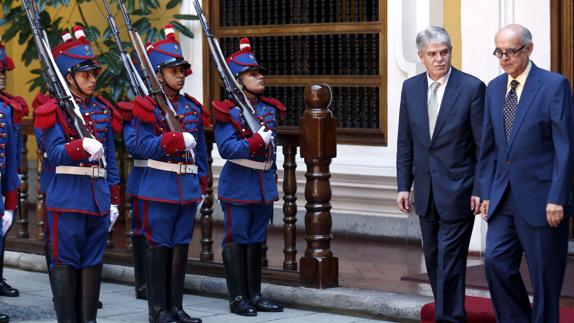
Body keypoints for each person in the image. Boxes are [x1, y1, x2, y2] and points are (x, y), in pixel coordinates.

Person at [478, 24, 574, 323]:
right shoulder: (494, 88)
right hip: (503, 197)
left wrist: (558, 197)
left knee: (545, 277)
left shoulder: (553, 85)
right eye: (499, 52)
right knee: (495, 261)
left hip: (543, 199)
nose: (504, 58)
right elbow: (489, 147)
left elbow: (565, 145)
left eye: (511, 51)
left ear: (529, 49)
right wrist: (485, 191)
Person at [396, 26, 485, 322]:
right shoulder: (410, 88)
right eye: (432, 54)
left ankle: (451, 317)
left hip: (459, 189)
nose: (439, 59)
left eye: (444, 52)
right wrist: (402, 186)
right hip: (424, 189)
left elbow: (482, 145)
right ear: (421, 56)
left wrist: (480, 188)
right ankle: (446, 312)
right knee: (433, 259)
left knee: (451, 258)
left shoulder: (472, 88)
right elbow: (405, 141)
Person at [33, 26, 121, 322]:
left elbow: (110, 158)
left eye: (94, 73)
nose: (94, 79)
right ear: (68, 78)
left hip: (97, 200)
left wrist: (114, 199)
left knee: (92, 262)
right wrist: (80, 145)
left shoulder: (101, 110)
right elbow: (53, 153)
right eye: (86, 75)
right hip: (67, 199)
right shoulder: (51, 111)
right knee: (66, 262)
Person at [133, 24, 207, 323]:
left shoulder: (192, 108)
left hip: (186, 188)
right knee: (159, 247)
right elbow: (140, 146)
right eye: (174, 70)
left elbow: (200, 151)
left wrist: (202, 183)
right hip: (159, 187)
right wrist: (173, 140)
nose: (180, 74)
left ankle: (176, 307)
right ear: (159, 74)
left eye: (182, 70)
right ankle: (157, 310)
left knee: (179, 249)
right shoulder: (146, 107)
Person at [212, 38, 284, 316]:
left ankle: (255, 294)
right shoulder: (226, 111)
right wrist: (255, 141)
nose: (260, 76)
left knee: (256, 240)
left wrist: (272, 177)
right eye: (253, 74)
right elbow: (228, 149)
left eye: (259, 72)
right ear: (239, 80)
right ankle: (237, 297)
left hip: (262, 185)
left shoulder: (268, 108)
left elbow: (272, 150)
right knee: (236, 239)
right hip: (239, 185)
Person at [0, 36, 28, 300]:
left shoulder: (7, 108)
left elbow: (9, 153)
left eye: (3, 71)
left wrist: (10, 193)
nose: (2, 77)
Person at [116, 97, 148, 300]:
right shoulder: (136, 110)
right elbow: (134, 147)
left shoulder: (183, 106)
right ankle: (143, 283)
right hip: (144, 179)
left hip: (173, 182)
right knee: (143, 232)